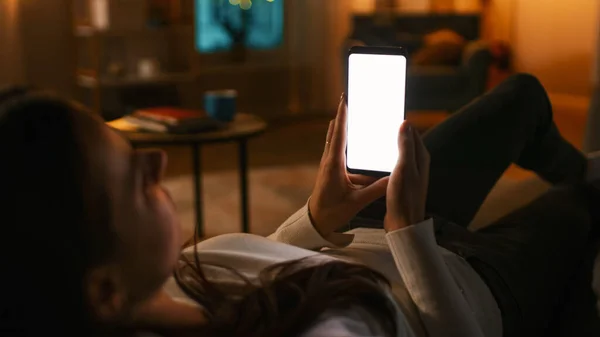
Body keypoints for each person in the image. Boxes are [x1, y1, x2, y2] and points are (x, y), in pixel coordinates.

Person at [0, 73, 596, 337]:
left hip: (365, 228)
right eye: (133, 177)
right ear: (102, 291)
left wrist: (314, 215)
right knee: (586, 200)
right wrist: (410, 231)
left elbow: (275, 262)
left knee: (521, 98)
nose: (158, 163)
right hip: (466, 280)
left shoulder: (165, 281)